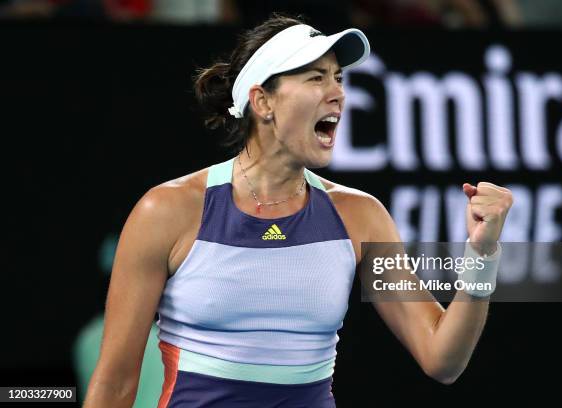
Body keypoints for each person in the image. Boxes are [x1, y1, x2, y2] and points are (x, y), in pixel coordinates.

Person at [83, 13, 514, 408]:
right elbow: (115, 384)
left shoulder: (360, 216)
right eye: (315, 78)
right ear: (263, 101)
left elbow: (443, 359)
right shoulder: (167, 211)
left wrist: (482, 255)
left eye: (339, 78)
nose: (339, 94)